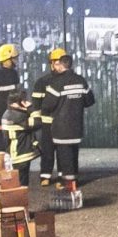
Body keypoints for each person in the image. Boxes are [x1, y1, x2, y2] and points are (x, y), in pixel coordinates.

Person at [40, 48, 95, 206]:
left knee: (64, 156)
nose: (55, 67)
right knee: (73, 153)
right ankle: (74, 180)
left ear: (61, 66)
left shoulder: (57, 83)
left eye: (57, 64)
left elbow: (47, 105)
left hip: (61, 126)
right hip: (76, 125)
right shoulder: (81, 80)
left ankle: (69, 186)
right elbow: (89, 101)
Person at [0, 94, 38, 187]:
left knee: (16, 180)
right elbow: (37, 123)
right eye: (21, 102)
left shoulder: (7, 113)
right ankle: (19, 198)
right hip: (21, 153)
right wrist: (31, 108)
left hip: (13, 152)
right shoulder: (18, 116)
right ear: (15, 104)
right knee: (22, 183)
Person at [29, 57, 56, 187]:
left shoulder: (65, 81)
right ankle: (45, 175)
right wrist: (37, 119)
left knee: (63, 152)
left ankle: (63, 177)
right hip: (47, 122)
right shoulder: (42, 82)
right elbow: (36, 103)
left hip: (62, 121)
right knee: (47, 150)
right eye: (55, 63)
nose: (57, 65)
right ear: (51, 64)